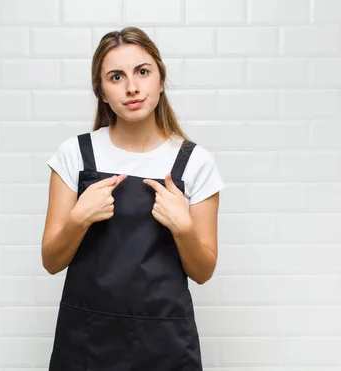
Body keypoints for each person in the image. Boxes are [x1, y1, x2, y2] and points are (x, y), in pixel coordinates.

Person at [42, 26, 225, 371]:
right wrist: (79, 218)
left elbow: (202, 272)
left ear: (160, 78)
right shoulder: (75, 155)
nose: (132, 87)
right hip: (86, 344)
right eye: (116, 77)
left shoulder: (196, 163)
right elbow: (51, 261)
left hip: (165, 346)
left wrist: (183, 228)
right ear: (102, 92)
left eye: (142, 72)